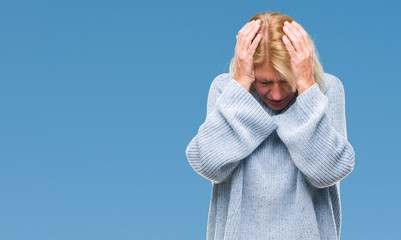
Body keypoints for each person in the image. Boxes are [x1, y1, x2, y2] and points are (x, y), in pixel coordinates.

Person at [185, 10, 355, 240]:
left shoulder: (326, 90)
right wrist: (241, 84)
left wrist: (306, 86)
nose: (276, 94)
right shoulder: (226, 89)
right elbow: (208, 164)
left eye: (286, 81)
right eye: (264, 82)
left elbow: (328, 171)